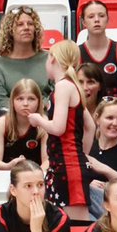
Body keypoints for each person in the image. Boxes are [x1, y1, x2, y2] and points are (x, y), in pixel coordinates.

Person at [30, 41, 95, 220]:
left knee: (77, 227)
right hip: (64, 165)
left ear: (52, 59)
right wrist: (83, 156)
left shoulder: (63, 86)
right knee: (59, 226)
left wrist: (39, 120)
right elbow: (90, 127)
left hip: (68, 166)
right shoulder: (71, 86)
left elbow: (58, 128)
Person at [0, 7, 51, 117]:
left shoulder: (50, 58)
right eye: (20, 24)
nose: (26, 28)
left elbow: (56, 92)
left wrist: (38, 107)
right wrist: (22, 110)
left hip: (45, 115)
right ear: (9, 30)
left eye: (30, 24)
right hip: (10, 118)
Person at [78, 1, 117, 110]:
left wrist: (108, 109)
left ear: (107, 19)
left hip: (116, 112)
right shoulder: (76, 54)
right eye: (91, 16)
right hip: (86, 113)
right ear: (83, 22)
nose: (96, 20)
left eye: (101, 15)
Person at [0, 78, 48, 171]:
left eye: (31, 99)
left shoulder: (43, 122)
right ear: (12, 101)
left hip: (37, 175)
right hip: (8, 173)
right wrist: (9, 166)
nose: (25, 104)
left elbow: (47, 161)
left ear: (39, 101)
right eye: (20, 99)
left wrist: (36, 175)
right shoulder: (2, 123)